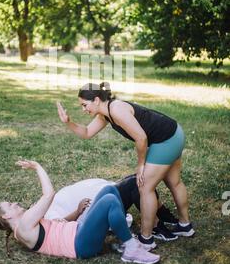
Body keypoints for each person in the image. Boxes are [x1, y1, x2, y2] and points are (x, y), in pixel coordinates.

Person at [57, 82, 195, 251]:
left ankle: (146, 239)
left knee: (144, 187)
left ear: (97, 100)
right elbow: (87, 133)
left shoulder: (116, 109)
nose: (84, 109)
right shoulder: (105, 114)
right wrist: (68, 122)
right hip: (174, 133)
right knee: (174, 182)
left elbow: (141, 138)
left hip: (166, 140)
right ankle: (185, 226)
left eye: (85, 105)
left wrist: (141, 165)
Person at [0, 159, 160, 264]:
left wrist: (77, 212)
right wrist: (37, 167)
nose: (15, 203)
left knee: (109, 190)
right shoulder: (23, 226)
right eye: (10, 205)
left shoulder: (25, 227)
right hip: (80, 245)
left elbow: (55, 227)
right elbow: (49, 194)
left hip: (78, 230)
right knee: (109, 201)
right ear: (6, 216)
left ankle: (124, 238)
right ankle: (131, 249)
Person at [45, 175, 179, 242]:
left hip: (105, 192)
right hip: (102, 205)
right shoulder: (47, 216)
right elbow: (59, 226)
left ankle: (165, 216)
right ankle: (157, 227)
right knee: (136, 183)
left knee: (142, 177)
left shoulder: (47, 203)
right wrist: (77, 211)